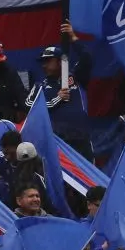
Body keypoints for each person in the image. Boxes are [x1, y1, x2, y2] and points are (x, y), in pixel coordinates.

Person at [25, 22, 94, 159]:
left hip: (81, 138)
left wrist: (73, 38)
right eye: (43, 62)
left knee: (88, 171)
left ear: (60, 62)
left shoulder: (74, 77)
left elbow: (87, 58)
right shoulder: (40, 86)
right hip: (58, 142)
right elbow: (28, 106)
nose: (44, 65)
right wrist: (57, 99)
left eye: (48, 61)